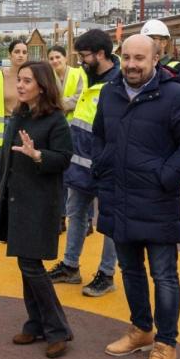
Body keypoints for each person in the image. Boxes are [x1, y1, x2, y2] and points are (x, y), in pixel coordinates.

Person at [93, 34, 180, 359]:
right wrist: (103, 163)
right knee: (129, 270)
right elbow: (100, 134)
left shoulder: (175, 95)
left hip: (157, 199)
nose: (131, 64)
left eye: (139, 58)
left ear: (156, 59)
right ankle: (141, 329)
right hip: (118, 196)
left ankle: (166, 345)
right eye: (126, 57)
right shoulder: (110, 93)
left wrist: (165, 177)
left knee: (164, 275)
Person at [0, 61, 74, 359]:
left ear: (42, 85)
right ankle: (37, 322)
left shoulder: (55, 120)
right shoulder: (19, 114)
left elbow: (64, 158)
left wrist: (38, 154)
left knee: (31, 265)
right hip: (16, 200)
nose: (21, 85)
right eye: (20, 80)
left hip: (39, 204)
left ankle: (57, 329)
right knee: (26, 264)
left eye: (27, 81)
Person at [47, 30, 120, 297]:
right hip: (80, 162)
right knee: (76, 212)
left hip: (107, 166)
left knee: (109, 221)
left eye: (84, 56)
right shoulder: (87, 78)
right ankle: (70, 266)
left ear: (100, 54)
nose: (81, 62)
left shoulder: (119, 84)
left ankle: (106, 273)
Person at [47, 44, 84, 234]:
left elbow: (81, 97)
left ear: (65, 58)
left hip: (78, 129)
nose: (54, 61)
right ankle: (60, 217)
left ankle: (85, 219)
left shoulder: (78, 74)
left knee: (80, 173)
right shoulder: (48, 77)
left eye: (57, 57)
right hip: (58, 131)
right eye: (51, 58)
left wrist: (61, 104)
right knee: (60, 177)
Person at [0, 40, 29, 183]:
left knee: (24, 169)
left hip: (25, 126)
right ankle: (2, 204)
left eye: (24, 52)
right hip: (2, 127)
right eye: (17, 52)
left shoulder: (33, 77)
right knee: (2, 170)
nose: (20, 55)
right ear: (10, 55)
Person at [140, 19, 180, 84]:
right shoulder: (140, 63)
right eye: (144, 39)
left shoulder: (177, 66)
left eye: (151, 38)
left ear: (163, 43)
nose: (146, 42)